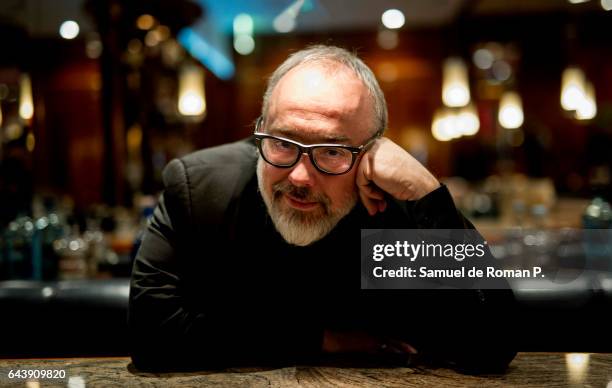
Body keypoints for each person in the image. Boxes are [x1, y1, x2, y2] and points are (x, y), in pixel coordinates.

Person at [128, 45, 516, 373]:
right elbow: (150, 335)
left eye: (331, 151)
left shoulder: (395, 204)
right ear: (261, 126)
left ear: (371, 152)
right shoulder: (199, 188)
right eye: (282, 141)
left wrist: (427, 192)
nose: (299, 176)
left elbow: (491, 344)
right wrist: (324, 340)